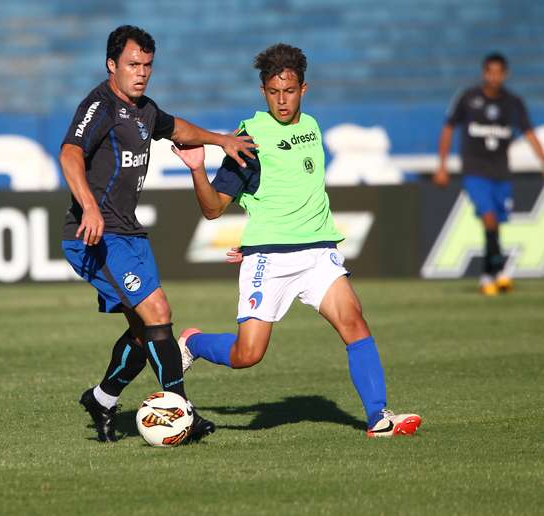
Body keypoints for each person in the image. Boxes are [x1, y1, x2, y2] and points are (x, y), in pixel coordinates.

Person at [170, 43, 421, 438]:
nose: (281, 100)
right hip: (269, 260)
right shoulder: (249, 139)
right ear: (263, 92)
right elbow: (213, 209)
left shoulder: (313, 128)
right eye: (273, 92)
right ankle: (194, 343)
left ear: (304, 89)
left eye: (288, 91)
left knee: (354, 322)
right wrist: (198, 170)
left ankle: (379, 418)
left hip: (319, 253)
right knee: (247, 354)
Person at [59, 25, 257, 443]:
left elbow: (177, 128)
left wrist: (221, 140)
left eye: (148, 65)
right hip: (95, 236)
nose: (142, 72)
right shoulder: (100, 106)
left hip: (128, 233)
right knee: (159, 312)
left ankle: (102, 399)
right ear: (112, 65)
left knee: (142, 330)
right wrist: (90, 207)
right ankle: (182, 411)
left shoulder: (144, 109)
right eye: (133, 64)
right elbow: (70, 153)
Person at [434, 53, 544, 295]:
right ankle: (502, 270)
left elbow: (528, 133)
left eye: (499, 72)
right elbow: (448, 128)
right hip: (475, 170)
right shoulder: (468, 98)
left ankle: (488, 274)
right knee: (489, 217)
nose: (494, 77)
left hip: (501, 173)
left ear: (505, 74)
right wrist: (441, 165)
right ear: (485, 73)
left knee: (496, 224)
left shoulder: (513, 103)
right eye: (490, 72)